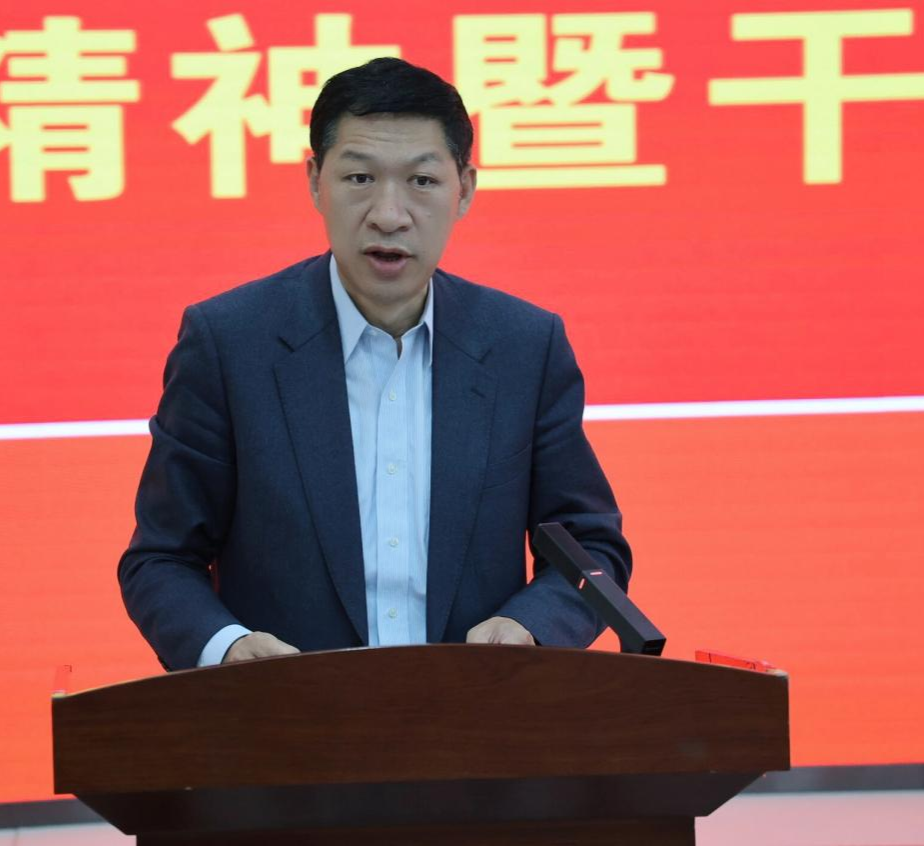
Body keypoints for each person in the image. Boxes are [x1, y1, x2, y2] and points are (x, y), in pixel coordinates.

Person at [118, 57, 631, 671]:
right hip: (287, 715)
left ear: (465, 189)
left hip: (477, 711)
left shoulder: (524, 346)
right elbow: (161, 558)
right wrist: (226, 647)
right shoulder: (229, 343)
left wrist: (532, 627)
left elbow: (589, 547)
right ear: (316, 181)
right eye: (359, 178)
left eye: (422, 181)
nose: (389, 214)